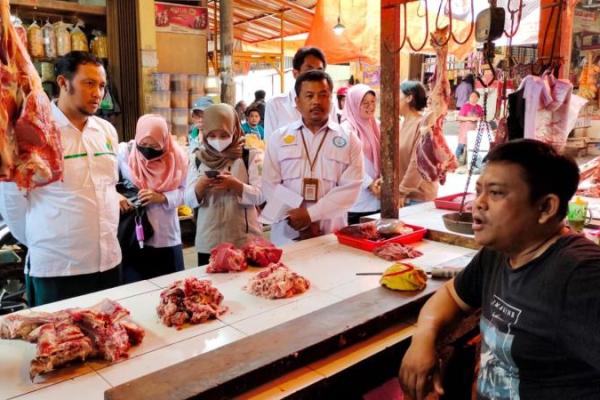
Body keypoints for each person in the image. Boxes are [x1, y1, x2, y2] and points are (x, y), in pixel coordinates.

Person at [399, 139, 600, 400]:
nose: (477, 204)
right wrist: (423, 338)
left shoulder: (580, 277)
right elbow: (451, 295)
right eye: (479, 191)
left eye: (496, 193)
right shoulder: (498, 252)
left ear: (545, 208)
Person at [0, 51, 121, 306]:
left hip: (108, 261)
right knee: (59, 343)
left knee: (110, 340)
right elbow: (12, 202)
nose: (98, 93)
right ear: (63, 83)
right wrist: (43, 241)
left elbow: (109, 187)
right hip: (58, 270)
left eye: (101, 85)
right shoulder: (34, 134)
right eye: (88, 83)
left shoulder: (106, 131)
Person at [262, 70, 363, 245]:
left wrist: (311, 215)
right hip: (288, 237)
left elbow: (351, 189)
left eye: (322, 95)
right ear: (297, 102)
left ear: (330, 100)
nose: (316, 101)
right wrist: (300, 222)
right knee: (284, 273)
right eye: (309, 95)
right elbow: (269, 184)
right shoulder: (278, 138)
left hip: (331, 236)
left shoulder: (349, 139)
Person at [185, 104, 264, 266]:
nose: (218, 140)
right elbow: (188, 200)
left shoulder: (250, 155)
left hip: (243, 240)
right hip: (209, 240)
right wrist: (201, 185)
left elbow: (261, 195)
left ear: (234, 130)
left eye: (224, 134)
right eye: (212, 135)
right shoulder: (198, 158)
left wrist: (235, 185)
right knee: (210, 288)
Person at [117, 114, 188, 283]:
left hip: (166, 236)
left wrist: (162, 197)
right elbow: (108, 181)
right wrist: (116, 195)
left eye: (155, 145)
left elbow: (187, 193)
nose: (148, 150)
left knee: (171, 289)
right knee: (135, 290)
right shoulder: (125, 153)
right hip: (132, 235)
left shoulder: (178, 158)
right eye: (144, 144)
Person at [263, 47, 338, 141]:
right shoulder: (276, 104)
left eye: (319, 71)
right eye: (308, 70)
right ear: (295, 73)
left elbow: (335, 139)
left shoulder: (329, 104)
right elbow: (270, 145)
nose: (314, 76)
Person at [340, 84, 381, 224]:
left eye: (373, 102)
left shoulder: (375, 124)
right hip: (357, 202)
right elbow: (347, 163)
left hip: (377, 199)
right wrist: (369, 184)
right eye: (365, 103)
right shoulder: (346, 129)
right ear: (354, 104)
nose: (370, 106)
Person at [397, 80, 437, 204]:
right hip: (404, 194)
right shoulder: (402, 124)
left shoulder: (423, 123)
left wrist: (401, 191)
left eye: (398, 95)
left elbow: (417, 162)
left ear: (409, 98)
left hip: (418, 197)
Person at [455, 91, 484, 167]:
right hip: (465, 130)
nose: (473, 98)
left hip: (474, 130)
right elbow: (459, 117)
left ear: (478, 98)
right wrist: (470, 118)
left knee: (472, 146)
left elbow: (482, 118)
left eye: (475, 96)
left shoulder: (479, 107)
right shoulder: (465, 106)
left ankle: (470, 163)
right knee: (461, 146)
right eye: (471, 96)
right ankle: (454, 162)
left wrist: (479, 119)